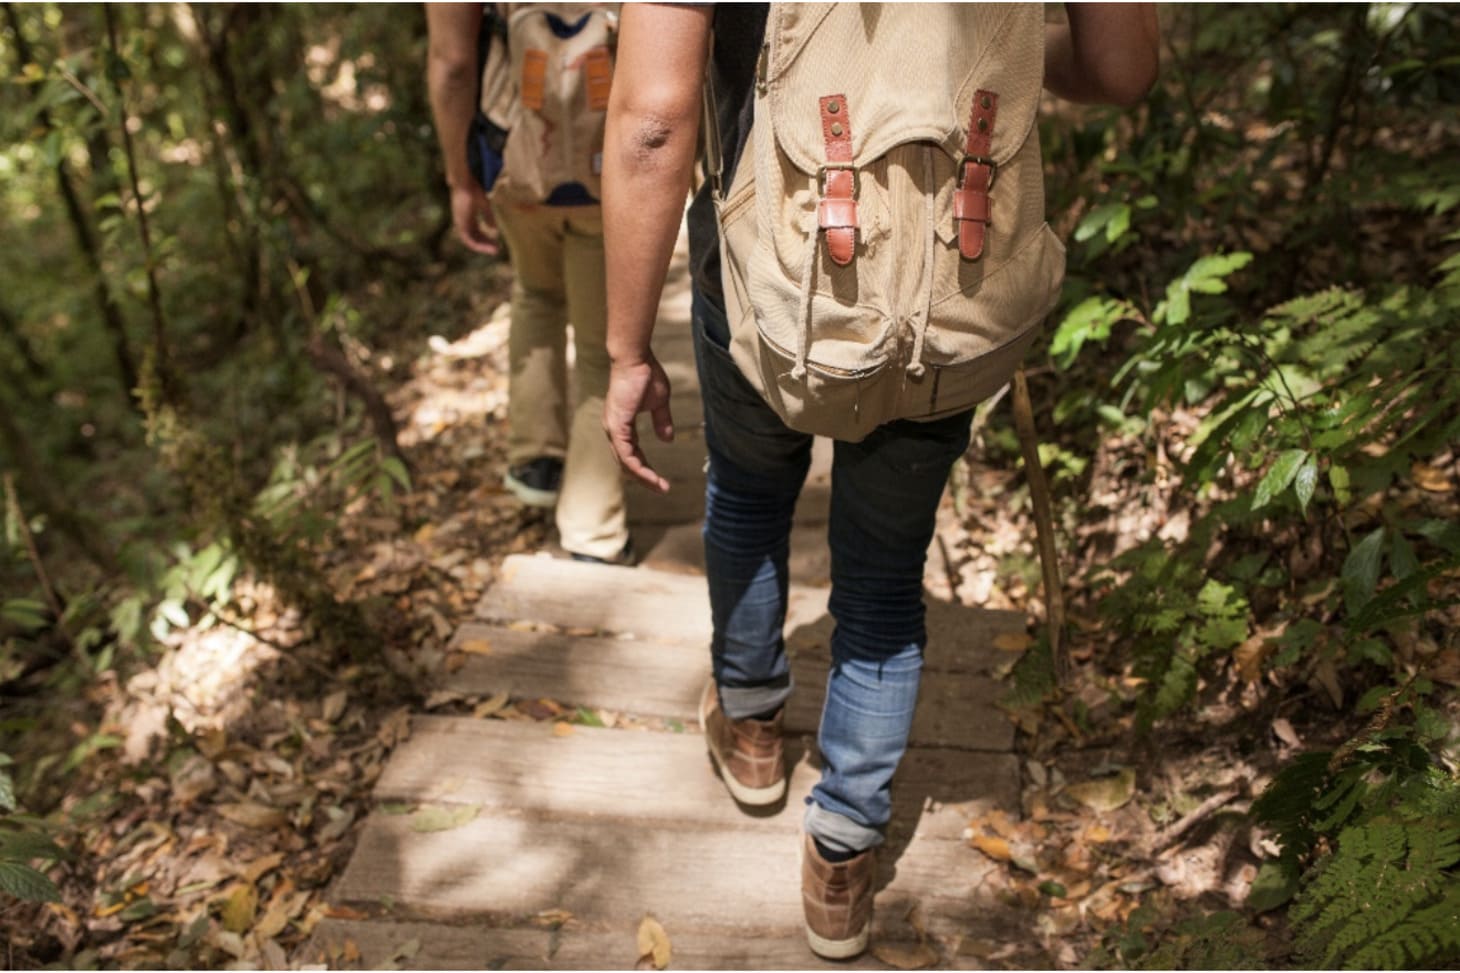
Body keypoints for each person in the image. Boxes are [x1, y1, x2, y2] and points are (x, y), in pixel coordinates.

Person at [600, 3, 1159, 959]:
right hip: (952, 277)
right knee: (885, 573)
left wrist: (625, 349)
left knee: (746, 492)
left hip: (761, 274)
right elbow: (1119, 69)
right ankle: (843, 853)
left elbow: (654, 119)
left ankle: (751, 728)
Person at [427, 2, 632, 564]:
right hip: (606, 163)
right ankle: (593, 530)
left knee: (536, 292)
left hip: (515, 159)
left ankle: (538, 460)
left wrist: (459, 179)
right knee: (599, 347)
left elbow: (451, 63)